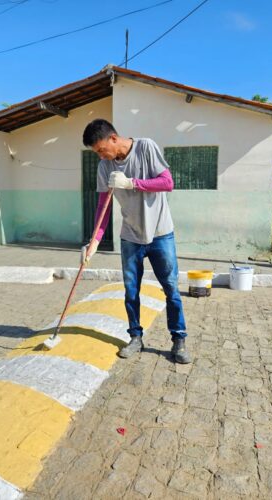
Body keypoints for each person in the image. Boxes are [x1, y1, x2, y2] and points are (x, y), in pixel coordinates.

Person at [81, 119, 191, 364]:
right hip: (130, 236)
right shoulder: (104, 166)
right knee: (131, 291)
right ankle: (135, 337)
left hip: (161, 233)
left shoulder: (145, 147)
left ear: (113, 138)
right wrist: (94, 241)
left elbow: (167, 183)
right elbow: (103, 206)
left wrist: (132, 183)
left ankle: (179, 339)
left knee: (171, 289)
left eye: (102, 150)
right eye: (96, 153)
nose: (101, 156)